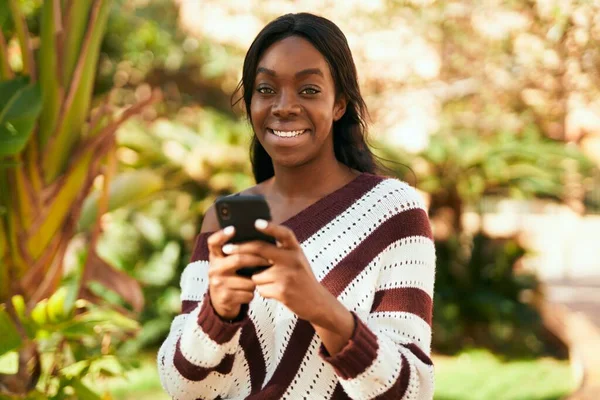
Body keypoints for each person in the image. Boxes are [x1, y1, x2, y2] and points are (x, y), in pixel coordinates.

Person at [158, 12, 436, 400]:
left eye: (308, 90)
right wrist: (216, 314)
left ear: (339, 103)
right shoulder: (222, 220)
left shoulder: (393, 212)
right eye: (267, 89)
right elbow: (180, 387)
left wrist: (322, 308)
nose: (284, 106)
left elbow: (413, 391)